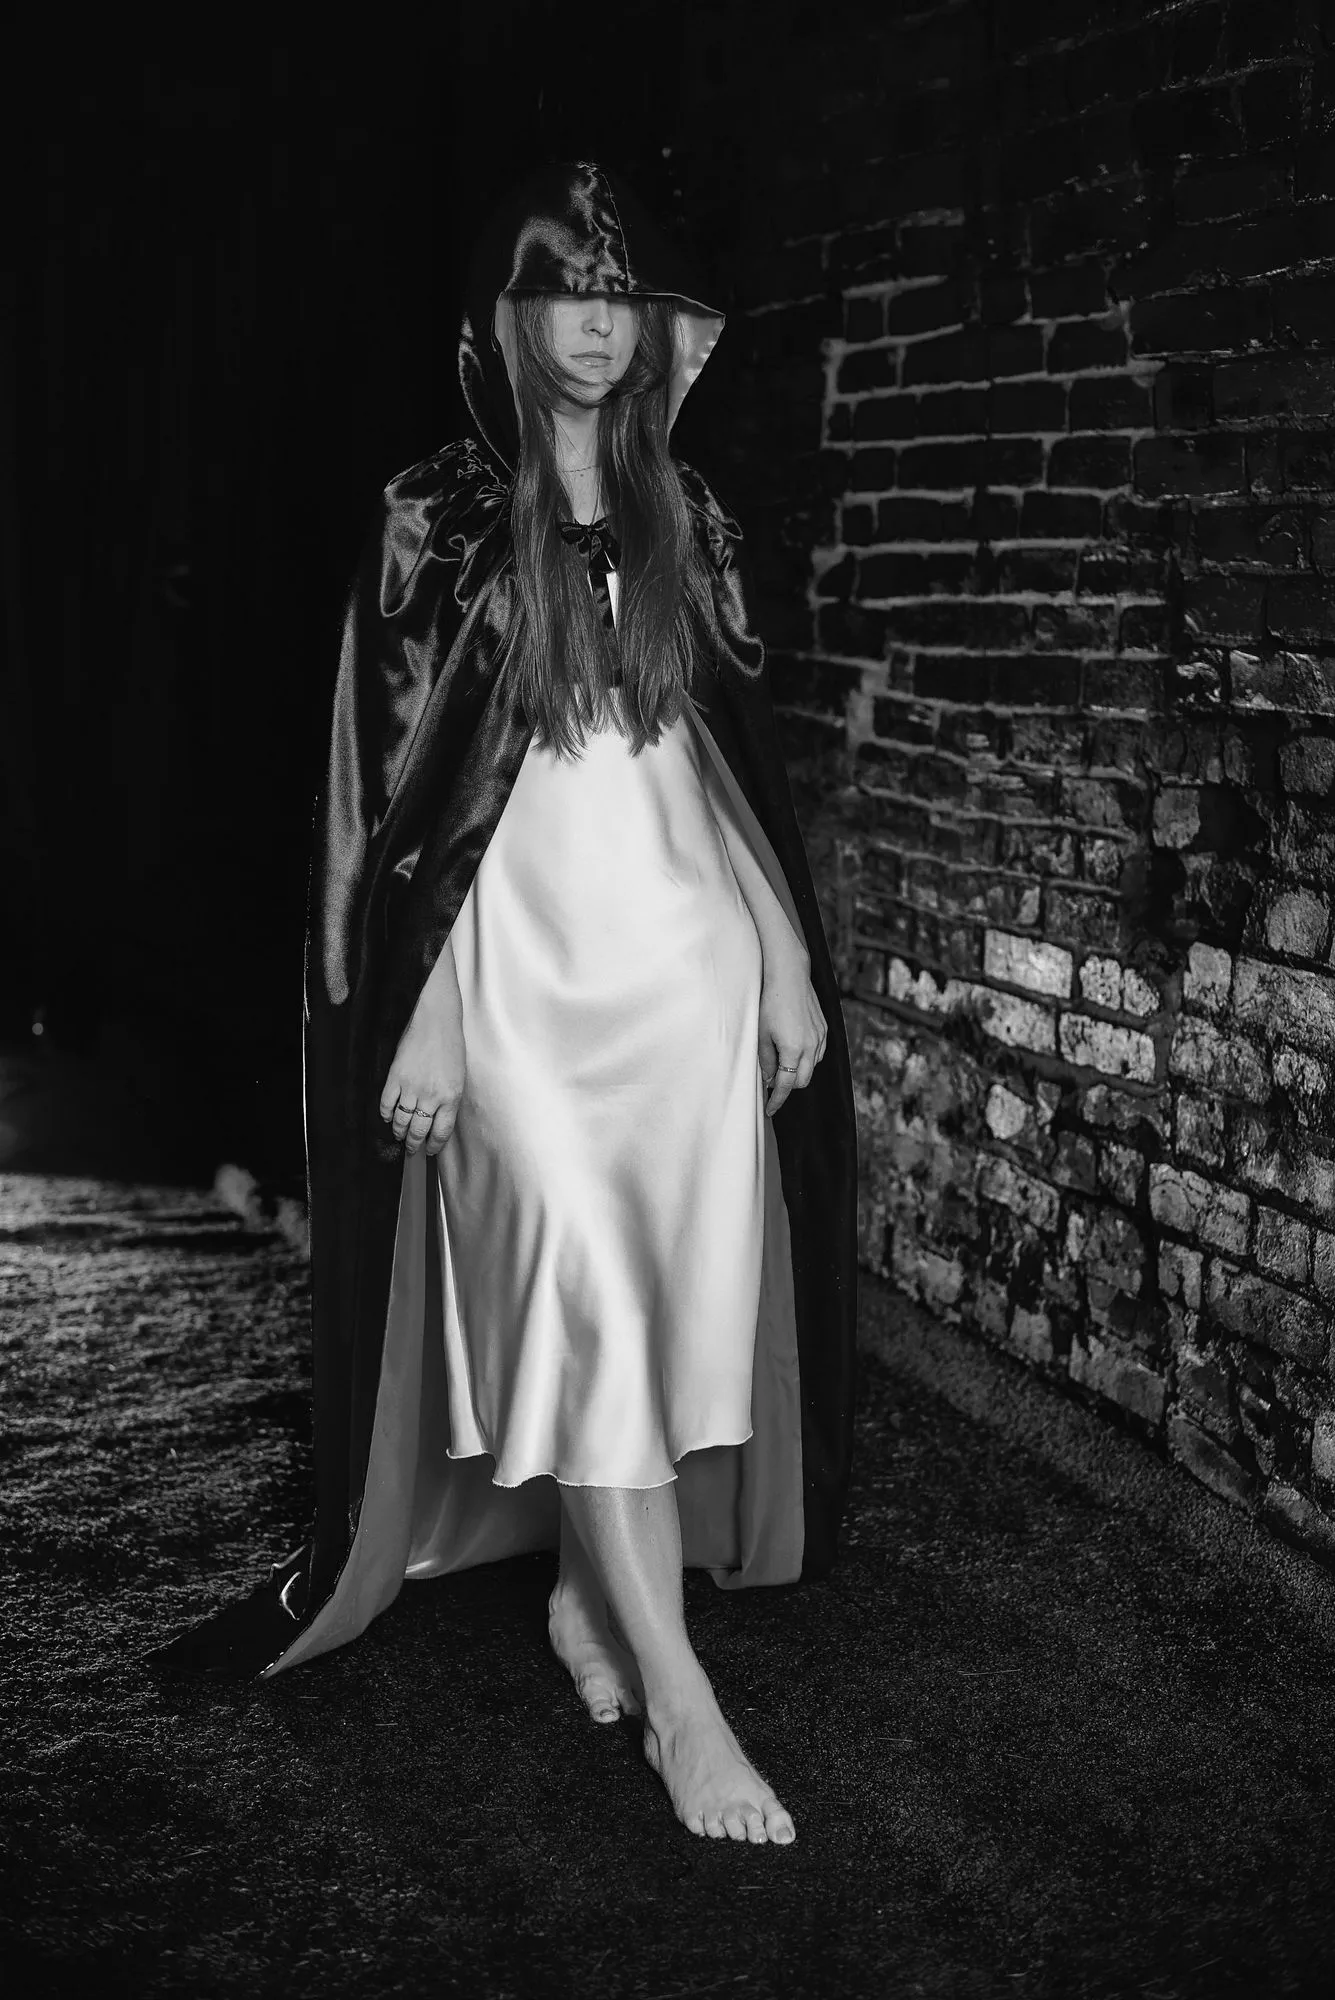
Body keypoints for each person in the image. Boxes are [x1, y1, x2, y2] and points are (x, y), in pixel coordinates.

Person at [157, 160, 858, 1848]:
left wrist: (777, 954)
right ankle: (684, 1707)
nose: (598, 328)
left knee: (663, 1304)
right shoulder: (444, 520)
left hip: (680, 966)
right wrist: (430, 1008)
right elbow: (406, 805)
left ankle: (586, 1602)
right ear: (509, 317)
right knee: (581, 1288)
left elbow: (714, 766)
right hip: (519, 986)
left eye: (623, 300)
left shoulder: (688, 514)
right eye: (567, 296)